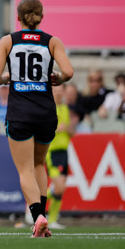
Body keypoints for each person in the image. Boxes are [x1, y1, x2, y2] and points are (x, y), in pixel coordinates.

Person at [0, 0, 73, 238]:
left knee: (25, 169)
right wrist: (58, 77)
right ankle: (42, 215)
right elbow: (68, 72)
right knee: (39, 164)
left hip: (20, 112)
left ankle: (37, 217)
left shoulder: (8, 41)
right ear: (41, 17)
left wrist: (9, 78)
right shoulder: (52, 41)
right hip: (46, 112)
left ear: (18, 17)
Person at [45, 83, 77, 230]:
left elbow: (69, 131)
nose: (58, 93)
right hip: (52, 151)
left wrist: (70, 130)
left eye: (60, 90)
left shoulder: (65, 109)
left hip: (64, 151)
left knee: (60, 189)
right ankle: (34, 205)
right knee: (58, 187)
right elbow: (43, 129)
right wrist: (56, 129)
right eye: (55, 90)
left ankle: (52, 220)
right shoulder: (48, 108)